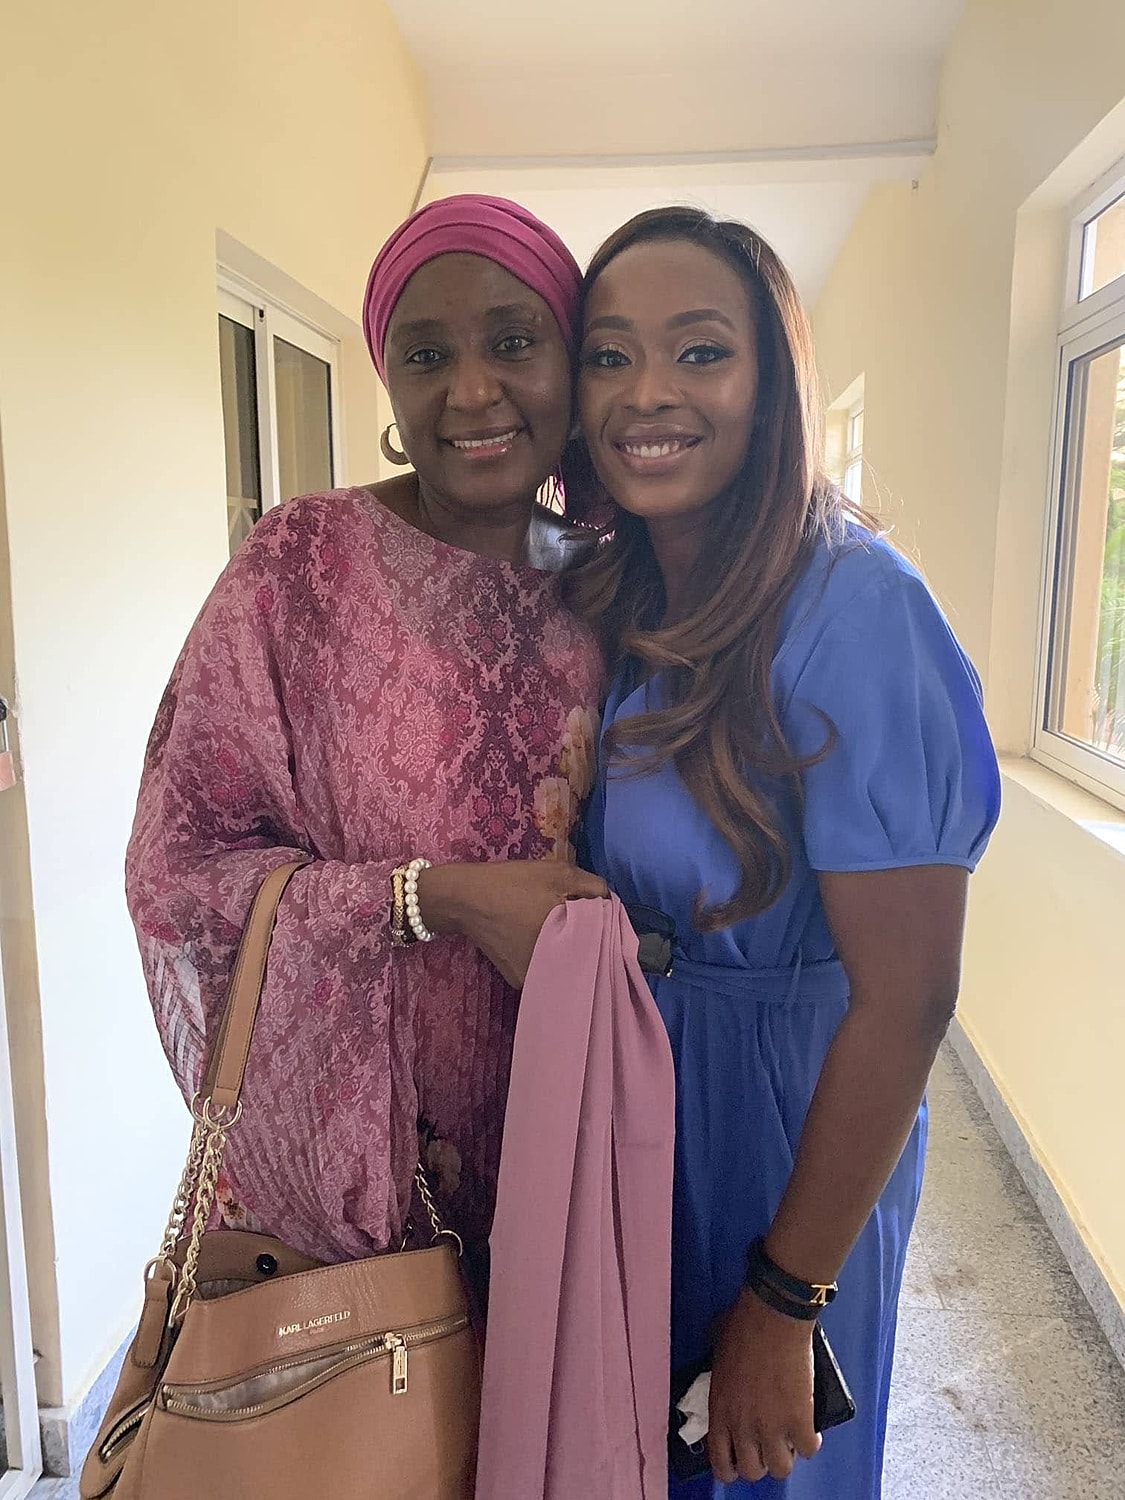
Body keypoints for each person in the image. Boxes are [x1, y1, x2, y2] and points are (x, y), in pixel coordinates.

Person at [565, 207, 1001, 1498]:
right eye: (608, 355)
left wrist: (785, 1293)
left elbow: (909, 993)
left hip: (782, 1134)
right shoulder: (627, 592)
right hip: (638, 1111)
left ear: (772, 387)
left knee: (761, 1472)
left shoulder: (856, 604)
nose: (648, 393)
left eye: (701, 353)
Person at [126, 195, 606, 1301]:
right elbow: (176, 866)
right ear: (390, 382)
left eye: (515, 342)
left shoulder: (615, 581)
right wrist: (438, 897)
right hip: (348, 1183)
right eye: (427, 353)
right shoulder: (304, 566)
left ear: (571, 367)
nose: (472, 389)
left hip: (569, 1128)